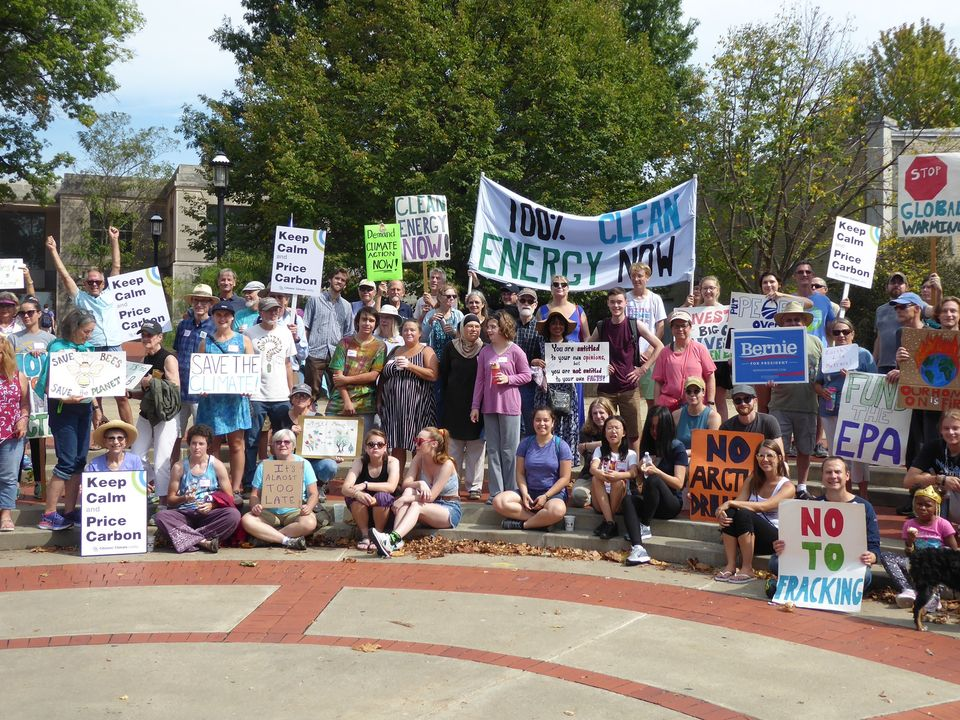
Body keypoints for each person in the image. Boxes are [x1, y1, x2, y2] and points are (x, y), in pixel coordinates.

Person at [45, 230, 132, 425]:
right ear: (85, 284)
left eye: (98, 281)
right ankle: (98, 432)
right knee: (94, 395)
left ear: (103, 283)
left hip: (114, 348)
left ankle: (130, 434)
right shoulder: (80, 298)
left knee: (121, 395)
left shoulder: (111, 293)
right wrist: (53, 251)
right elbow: (65, 275)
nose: (94, 284)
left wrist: (114, 240)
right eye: (90, 281)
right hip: (92, 348)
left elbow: (116, 266)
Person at [768, 456, 880, 597]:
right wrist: (782, 547)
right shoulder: (811, 506)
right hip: (813, 565)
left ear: (847, 476)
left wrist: (872, 556)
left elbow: (874, 546)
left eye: (837, 472)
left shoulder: (864, 507)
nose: (833, 476)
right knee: (775, 562)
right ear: (822, 477)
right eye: (828, 472)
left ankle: (796, 587)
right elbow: (796, 540)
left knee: (866, 576)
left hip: (845, 567)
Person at [36, 309, 96, 530]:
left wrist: (96, 407)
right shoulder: (57, 348)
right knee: (66, 461)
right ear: (74, 328)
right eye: (86, 331)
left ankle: (70, 511)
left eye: (91, 331)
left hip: (84, 408)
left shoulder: (88, 349)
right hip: (64, 409)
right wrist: (65, 398)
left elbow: (94, 381)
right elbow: (48, 384)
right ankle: (49, 514)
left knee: (79, 461)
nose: (89, 335)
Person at [589, 287, 663, 450]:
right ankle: (607, 462)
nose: (616, 305)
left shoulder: (634, 324)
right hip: (606, 389)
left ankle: (633, 464)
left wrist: (643, 368)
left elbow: (659, 345)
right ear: (608, 304)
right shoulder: (601, 326)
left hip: (629, 388)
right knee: (605, 431)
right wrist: (598, 365)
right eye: (612, 302)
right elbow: (585, 350)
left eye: (619, 302)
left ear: (625, 303)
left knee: (633, 434)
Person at [369, 426, 462, 557]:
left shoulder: (447, 464)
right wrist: (420, 483)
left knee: (415, 504)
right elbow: (406, 483)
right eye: (415, 440)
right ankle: (395, 541)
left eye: (420, 441)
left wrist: (403, 499)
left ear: (434, 444)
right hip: (428, 506)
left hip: (448, 508)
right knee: (409, 490)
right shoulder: (419, 458)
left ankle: (393, 539)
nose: (416, 444)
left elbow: (430, 497)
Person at [714, 440, 795, 584]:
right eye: (760, 455)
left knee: (743, 512)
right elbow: (739, 501)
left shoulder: (787, 487)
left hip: (773, 538)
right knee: (731, 512)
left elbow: (764, 506)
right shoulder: (753, 478)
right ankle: (731, 565)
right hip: (747, 534)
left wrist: (730, 502)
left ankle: (747, 568)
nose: (765, 459)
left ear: (779, 458)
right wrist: (720, 512)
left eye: (769, 456)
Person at [471, 312, 532, 501]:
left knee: (510, 450)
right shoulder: (485, 352)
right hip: (489, 407)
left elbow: (527, 375)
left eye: (493, 327)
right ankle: (496, 493)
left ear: (503, 327)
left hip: (510, 406)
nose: (489, 330)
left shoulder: (515, 351)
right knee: (493, 451)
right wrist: (475, 406)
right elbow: (480, 381)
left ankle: (512, 492)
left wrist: (509, 379)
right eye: (488, 327)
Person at [196, 301, 254, 495]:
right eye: (218, 315)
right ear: (213, 317)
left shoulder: (244, 341)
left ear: (232, 318)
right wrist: (201, 386)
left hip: (235, 401)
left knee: (237, 444)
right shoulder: (205, 343)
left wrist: (248, 386)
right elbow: (200, 372)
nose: (222, 319)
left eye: (226, 315)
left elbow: (251, 369)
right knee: (213, 445)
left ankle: (235, 487)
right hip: (211, 402)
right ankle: (218, 484)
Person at [813, 317, 876, 496]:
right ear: (832, 335)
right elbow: (817, 383)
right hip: (830, 411)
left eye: (845, 332)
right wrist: (822, 391)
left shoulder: (864, 354)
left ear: (852, 334)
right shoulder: (827, 355)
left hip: (856, 412)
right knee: (837, 455)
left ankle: (863, 497)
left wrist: (853, 378)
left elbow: (876, 382)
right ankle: (845, 496)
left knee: (859, 456)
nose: (841, 335)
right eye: (837, 332)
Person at [155, 424, 241, 553]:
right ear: (189, 444)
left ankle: (186, 538)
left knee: (233, 515)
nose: (197, 447)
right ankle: (203, 542)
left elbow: (229, 497)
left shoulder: (217, 465)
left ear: (208, 445)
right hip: (185, 514)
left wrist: (213, 505)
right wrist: (184, 498)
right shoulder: (179, 467)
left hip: (209, 514)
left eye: (201, 444)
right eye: (194, 443)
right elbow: (170, 500)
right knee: (161, 516)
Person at [242, 296, 296, 491]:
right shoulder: (249, 333)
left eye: (276, 310)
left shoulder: (285, 333)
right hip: (256, 395)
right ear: (261, 312)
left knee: (284, 440)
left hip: (281, 395)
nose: (274, 313)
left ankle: (282, 480)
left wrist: (291, 392)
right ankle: (249, 482)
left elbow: (288, 364)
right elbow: (244, 364)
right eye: (269, 310)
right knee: (251, 441)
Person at [768, 301, 822, 494]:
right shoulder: (772, 342)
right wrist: (768, 379)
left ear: (804, 322)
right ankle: (782, 486)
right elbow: (763, 370)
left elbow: (824, 374)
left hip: (807, 405)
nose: (793, 323)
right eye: (788, 320)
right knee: (778, 451)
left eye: (797, 319)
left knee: (805, 450)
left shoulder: (816, 343)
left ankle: (802, 487)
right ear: (782, 323)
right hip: (779, 405)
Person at [495, 407, 573, 530]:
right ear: (533, 422)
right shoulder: (525, 443)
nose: (541, 423)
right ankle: (540, 522)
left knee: (557, 510)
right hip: (529, 492)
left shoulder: (561, 446)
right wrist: (525, 494)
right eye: (538, 420)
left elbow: (565, 478)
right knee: (499, 501)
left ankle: (523, 525)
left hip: (552, 494)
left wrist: (546, 496)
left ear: (553, 423)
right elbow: (520, 473)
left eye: (546, 420)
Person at [881, 486, 957, 611]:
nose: (922, 508)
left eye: (927, 505)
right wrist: (910, 541)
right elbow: (909, 553)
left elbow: (953, 552)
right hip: (916, 565)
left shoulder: (943, 524)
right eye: (919, 504)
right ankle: (908, 590)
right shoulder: (909, 524)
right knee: (887, 556)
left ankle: (932, 595)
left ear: (936, 506)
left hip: (936, 569)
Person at [128, 320, 180, 504]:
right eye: (143, 335)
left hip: (166, 416)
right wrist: (131, 394)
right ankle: (152, 486)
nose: (145, 338)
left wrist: (152, 382)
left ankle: (164, 503)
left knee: (161, 461)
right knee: (135, 456)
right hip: (147, 413)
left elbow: (175, 388)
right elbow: (147, 393)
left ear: (160, 337)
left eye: (149, 335)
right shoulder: (145, 359)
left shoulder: (168, 358)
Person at [241, 429, 317, 551]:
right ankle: (286, 540)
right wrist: (255, 506)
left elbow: (313, 493)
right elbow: (254, 494)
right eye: (278, 442)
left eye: (287, 442)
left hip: (295, 511)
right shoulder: (264, 465)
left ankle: (268, 537)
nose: (282, 445)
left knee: (309, 523)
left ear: (293, 445)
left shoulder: (304, 464)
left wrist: (308, 507)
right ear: (273, 446)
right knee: (247, 520)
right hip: (269, 512)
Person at [622, 406, 687, 548]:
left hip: (670, 503)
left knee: (654, 480)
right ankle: (637, 546)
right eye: (651, 427)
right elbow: (640, 481)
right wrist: (640, 469)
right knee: (628, 500)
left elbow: (679, 483)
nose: (654, 432)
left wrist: (657, 471)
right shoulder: (648, 446)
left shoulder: (677, 447)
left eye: (658, 428)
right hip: (650, 501)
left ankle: (645, 524)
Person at [378, 318, 438, 471]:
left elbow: (433, 375)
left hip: (418, 407)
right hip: (394, 408)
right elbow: (383, 377)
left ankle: (418, 479)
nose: (408, 333)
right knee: (397, 445)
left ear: (420, 333)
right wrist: (379, 400)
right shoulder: (394, 350)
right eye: (405, 330)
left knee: (419, 444)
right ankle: (397, 480)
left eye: (412, 330)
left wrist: (410, 366)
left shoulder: (426, 350)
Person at [439, 314, 486, 500]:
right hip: (453, 405)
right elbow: (443, 374)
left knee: (476, 448)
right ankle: (452, 485)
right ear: (462, 328)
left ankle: (475, 486)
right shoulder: (451, 347)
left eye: (477, 326)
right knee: (454, 449)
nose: (473, 329)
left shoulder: (485, 349)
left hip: (477, 405)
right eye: (469, 326)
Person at [12, 297, 55, 497]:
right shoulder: (13, 339)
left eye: (30, 312)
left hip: (40, 399)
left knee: (38, 441)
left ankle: (39, 482)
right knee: (17, 440)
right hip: (19, 398)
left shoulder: (50, 339)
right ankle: (15, 484)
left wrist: (44, 354)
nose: (26, 316)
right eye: (22, 313)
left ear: (39, 313)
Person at [171, 284, 216, 467]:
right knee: (175, 434)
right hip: (180, 389)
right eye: (196, 300)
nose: (199, 304)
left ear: (210, 304)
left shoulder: (215, 327)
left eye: (204, 301)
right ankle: (174, 468)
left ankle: (203, 469)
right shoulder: (183, 325)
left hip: (201, 392)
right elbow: (176, 352)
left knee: (203, 436)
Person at [755, 271, 812, 411]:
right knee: (763, 404)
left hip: (784, 353)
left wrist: (782, 295)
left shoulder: (787, 301)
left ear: (779, 284)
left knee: (781, 400)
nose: (768, 285)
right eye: (765, 282)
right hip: (762, 355)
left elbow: (809, 303)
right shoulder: (752, 303)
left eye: (772, 281)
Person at [326, 306, 386, 435]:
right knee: (332, 442)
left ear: (376, 324)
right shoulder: (344, 343)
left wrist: (346, 379)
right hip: (339, 402)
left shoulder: (380, 346)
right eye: (364, 319)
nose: (367, 323)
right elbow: (337, 377)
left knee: (362, 444)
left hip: (365, 404)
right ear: (357, 321)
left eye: (371, 320)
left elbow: (374, 375)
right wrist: (347, 402)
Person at [538, 274, 589, 420]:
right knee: (551, 409)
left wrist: (591, 362)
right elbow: (538, 340)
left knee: (574, 408)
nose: (560, 287)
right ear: (551, 288)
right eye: (556, 284)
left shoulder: (579, 310)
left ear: (568, 288)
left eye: (563, 284)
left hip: (574, 368)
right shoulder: (542, 311)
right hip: (550, 370)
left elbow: (587, 339)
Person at [341, 428, 401, 549]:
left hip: (385, 511)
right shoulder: (359, 462)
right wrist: (358, 494)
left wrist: (365, 485)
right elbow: (345, 488)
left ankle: (378, 535)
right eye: (371, 444)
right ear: (366, 448)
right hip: (363, 510)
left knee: (382, 496)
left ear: (385, 447)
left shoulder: (392, 462)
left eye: (380, 444)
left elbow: (391, 487)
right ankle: (365, 535)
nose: (375, 447)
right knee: (354, 496)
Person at [683, 275, 732, 420]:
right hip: (698, 361)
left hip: (720, 361)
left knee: (719, 400)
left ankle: (722, 429)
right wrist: (685, 305)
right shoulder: (693, 311)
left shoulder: (727, 311)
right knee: (699, 398)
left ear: (718, 290)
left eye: (711, 288)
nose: (708, 291)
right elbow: (670, 319)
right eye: (704, 288)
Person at [532, 310, 580, 452]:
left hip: (567, 392)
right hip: (545, 392)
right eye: (553, 323)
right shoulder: (539, 344)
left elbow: (585, 363)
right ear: (548, 326)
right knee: (546, 422)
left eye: (560, 324)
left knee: (567, 423)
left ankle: (566, 456)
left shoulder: (572, 345)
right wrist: (534, 362)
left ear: (565, 327)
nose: (557, 326)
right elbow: (529, 363)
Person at [279, 383, 339, 500]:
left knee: (330, 465)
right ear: (291, 399)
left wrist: (335, 455)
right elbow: (274, 444)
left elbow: (327, 442)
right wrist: (289, 432)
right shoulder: (283, 418)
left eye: (304, 396)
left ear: (310, 401)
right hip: (290, 462)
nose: (300, 398)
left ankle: (319, 486)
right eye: (297, 396)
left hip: (314, 462)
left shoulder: (318, 417)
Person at [904, 409, 960, 527]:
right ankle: (937, 530)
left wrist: (955, 485)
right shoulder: (933, 447)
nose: (951, 432)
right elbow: (908, 481)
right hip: (945, 496)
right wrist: (939, 479)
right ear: (940, 430)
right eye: (946, 428)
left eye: (956, 428)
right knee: (925, 479)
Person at [303, 267, 353, 400]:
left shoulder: (347, 306)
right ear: (330, 279)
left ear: (345, 284)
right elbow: (306, 326)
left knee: (338, 391)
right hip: (315, 351)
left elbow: (348, 333)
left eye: (343, 280)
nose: (339, 282)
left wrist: (345, 355)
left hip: (336, 353)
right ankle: (309, 411)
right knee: (311, 391)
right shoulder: (315, 299)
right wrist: (306, 350)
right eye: (337, 278)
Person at [652, 309, 716, 411]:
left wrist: (710, 402)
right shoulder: (664, 352)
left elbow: (710, 377)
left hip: (696, 405)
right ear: (672, 329)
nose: (680, 329)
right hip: (669, 406)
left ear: (690, 327)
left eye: (683, 325)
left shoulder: (700, 349)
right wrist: (656, 406)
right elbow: (658, 381)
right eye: (676, 326)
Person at [589, 415, 637, 540]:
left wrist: (618, 475)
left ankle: (608, 523)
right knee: (595, 478)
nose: (613, 431)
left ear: (624, 433)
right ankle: (610, 522)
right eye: (609, 428)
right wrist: (600, 473)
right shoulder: (599, 450)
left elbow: (633, 473)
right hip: (600, 500)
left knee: (618, 482)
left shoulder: (631, 454)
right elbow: (592, 468)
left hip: (620, 500)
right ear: (604, 433)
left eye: (617, 428)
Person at [626, 263, 667, 409]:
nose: (636, 279)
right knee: (630, 398)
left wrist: (650, 350)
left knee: (652, 399)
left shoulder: (655, 298)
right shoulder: (625, 298)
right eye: (633, 276)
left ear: (647, 277)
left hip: (651, 356)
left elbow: (660, 326)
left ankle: (652, 423)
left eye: (640, 276)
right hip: (629, 356)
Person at [0, 337, 29, 532]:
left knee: (9, 475)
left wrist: (23, 419)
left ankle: (5, 515)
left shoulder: (18, 376)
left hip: (11, 432)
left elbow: (24, 403)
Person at [571, 398, 617, 508]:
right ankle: (597, 498)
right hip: (589, 475)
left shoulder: (618, 428)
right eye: (594, 413)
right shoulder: (586, 432)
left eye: (601, 412)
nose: (598, 416)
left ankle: (601, 499)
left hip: (613, 474)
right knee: (578, 495)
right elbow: (588, 457)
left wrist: (588, 445)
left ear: (609, 413)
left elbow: (616, 446)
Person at [513, 287, 544, 436]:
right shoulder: (509, 327)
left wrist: (538, 360)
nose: (526, 303)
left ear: (535, 304)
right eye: (523, 300)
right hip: (511, 381)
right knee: (513, 426)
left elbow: (547, 355)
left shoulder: (542, 328)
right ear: (517, 302)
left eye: (530, 301)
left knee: (531, 423)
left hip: (532, 384)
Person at [719, 384, 783, 451]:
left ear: (755, 401)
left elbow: (780, 453)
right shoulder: (727, 427)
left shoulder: (769, 422)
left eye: (747, 399)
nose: (743, 403)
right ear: (733, 403)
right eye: (738, 400)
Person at [265, 285, 309, 379]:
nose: (276, 300)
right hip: (266, 372)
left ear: (287, 300)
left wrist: (295, 339)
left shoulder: (296, 320)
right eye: (272, 296)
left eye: (280, 297)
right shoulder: (260, 320)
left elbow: (303, 356)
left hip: (290, 372)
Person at [673, 376, 720, 451]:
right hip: (680, 456)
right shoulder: (675, 415)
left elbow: (712, 448)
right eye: (689, 391)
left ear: (703, 392)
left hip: (703, 457)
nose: (692, 394)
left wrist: (687, 452)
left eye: (696, 391)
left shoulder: (714, 417)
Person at [421, 283, 463, 364]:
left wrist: (454, 333)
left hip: (453, 358)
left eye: (454, 296)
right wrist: (430, 323)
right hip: (433, 358)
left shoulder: (458, 315)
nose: (451, 298)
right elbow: (423, 338)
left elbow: (465, 338)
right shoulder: (430, 314)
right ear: (439, 298)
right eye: (448, 296)